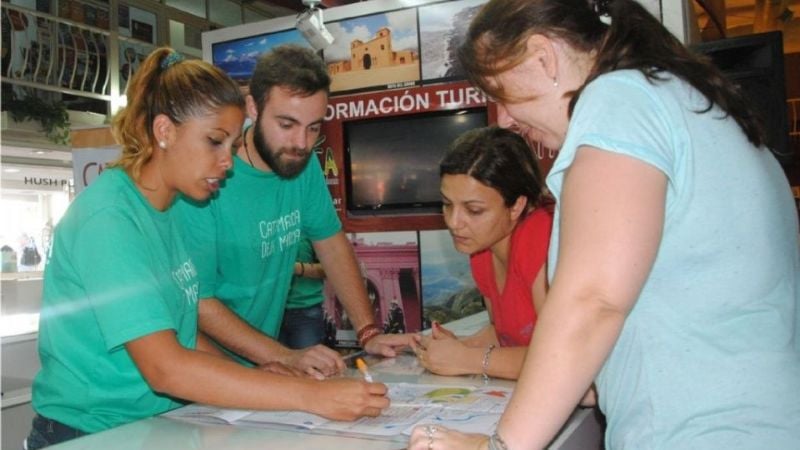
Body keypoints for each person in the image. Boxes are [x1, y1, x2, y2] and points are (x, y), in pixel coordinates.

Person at [409, 1, 800, 449]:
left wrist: (500, 447)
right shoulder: (687, 102)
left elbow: (593, 300)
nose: (505, 119)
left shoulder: (619, 100)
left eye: (501, 92)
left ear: (543, 56)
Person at [28, 47, 389, 450]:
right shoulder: (110, 219)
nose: (228, 163)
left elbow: (181, 329)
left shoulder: (166, 209)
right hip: (90, 433)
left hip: (152, 425)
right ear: (164, 131)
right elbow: (166, 367)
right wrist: (311, 396)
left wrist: (268, 374)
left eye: (232, 145)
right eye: (215, 142)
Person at [172, 44, 417, 378]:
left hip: (265, 364)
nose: (302, 143)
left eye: (314, 127)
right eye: (286, 124)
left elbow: (331, 244)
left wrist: (368, 332)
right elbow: (198, 301)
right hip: (206, 368)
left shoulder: (301, 165)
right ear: (253, 108)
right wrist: (283, 356)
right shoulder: (207, 178)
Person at [415, 126, 553, 381]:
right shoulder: (482, 250)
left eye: (474, 210)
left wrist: (466, 359)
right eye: (447, 205)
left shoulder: (541, 237)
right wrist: (460, 346)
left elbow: (562, 360)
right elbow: (507, 332)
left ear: (516, 206)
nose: (455, 222)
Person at [278, 234, 328, 349]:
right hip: (271, 312)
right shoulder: (264, 228)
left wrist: (296, 268)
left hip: (305, 311)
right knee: (273, 365)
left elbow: (330, 268)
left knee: (309, 365)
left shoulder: (310, 226)